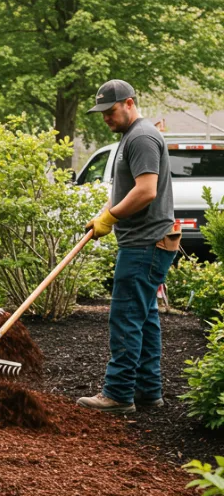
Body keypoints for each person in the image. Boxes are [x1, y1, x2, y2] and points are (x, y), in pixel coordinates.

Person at [77, 79, 180, 414]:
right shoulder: (129, 137)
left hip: (145, 244)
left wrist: (112, 217)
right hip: (145, 242)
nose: (106, 117)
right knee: (144, 317)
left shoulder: (142, 137)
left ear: (130, 103)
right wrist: (104, 213)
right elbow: (125, 189)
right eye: (102, 113)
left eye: (111, 110)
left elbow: (146, 190)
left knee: (125, 317)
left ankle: (119, 393)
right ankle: (147, 391)